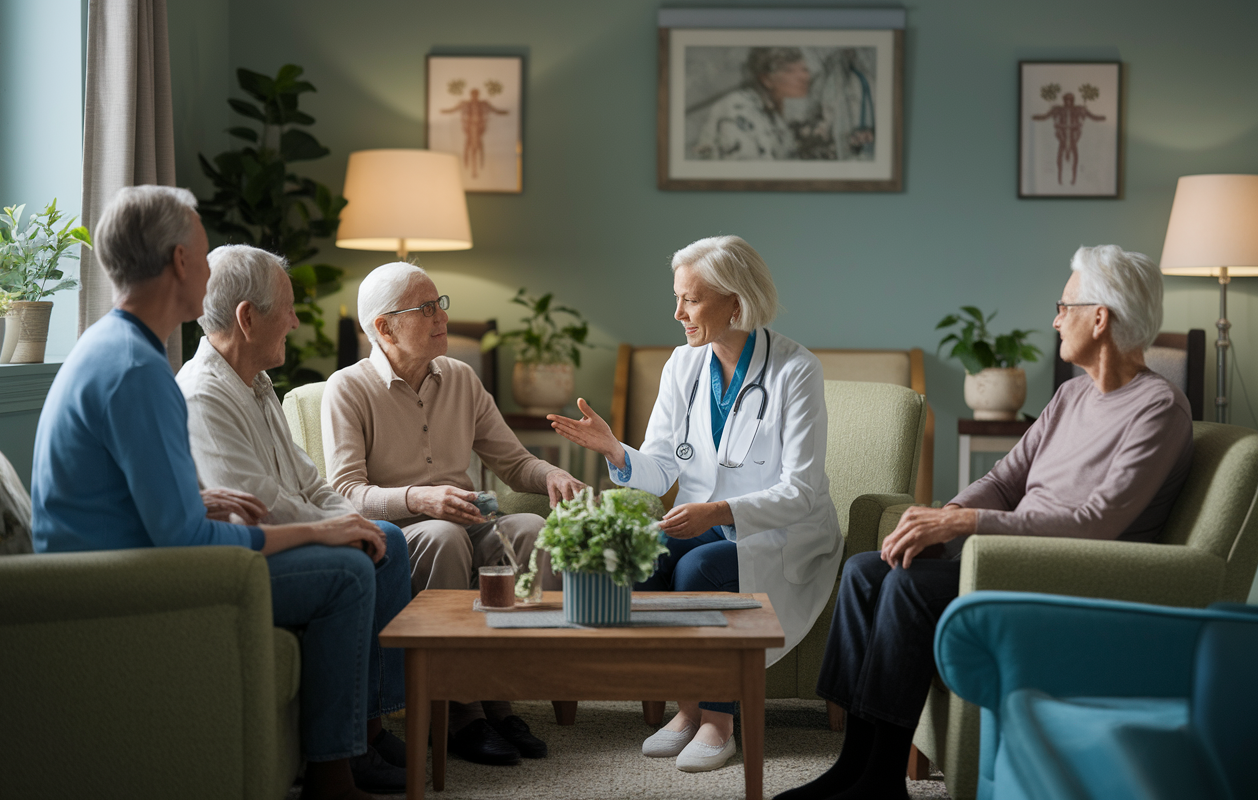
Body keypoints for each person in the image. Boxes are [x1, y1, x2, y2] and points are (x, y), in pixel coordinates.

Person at [31, 186, 411, 800]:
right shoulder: (138, 368)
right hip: (119, 584)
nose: (208, 276)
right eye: (203, 257)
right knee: (346, 572)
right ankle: (333, 776)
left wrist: (193, 495)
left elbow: (143, 499)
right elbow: (185, 539)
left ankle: (351, 744)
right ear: (180, 262)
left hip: (116, 561)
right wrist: (318, 528)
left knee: (359, 549)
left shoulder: (122, 350)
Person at [776, 244, 1194, 800]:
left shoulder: (1158, 409)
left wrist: (965, 525)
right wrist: (944, 516)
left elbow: (1096, 523)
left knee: (908, 589)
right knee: (866, 570)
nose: (1054, 319)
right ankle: (850, 767)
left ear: (1101, 317)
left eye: (1064, 305)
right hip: (1012, 557)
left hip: (1068, 574)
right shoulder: (1070, 396)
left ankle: (880, 783)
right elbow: (1004, 478)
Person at [549, 235, 843, 773]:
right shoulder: (683, 366)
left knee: (701, 566)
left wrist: (719, 513)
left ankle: (718, 720)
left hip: (779, 531)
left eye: (691, 299)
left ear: (737, 301)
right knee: (647, 555)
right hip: (702, 518)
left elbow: (800, 489)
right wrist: (616, 449)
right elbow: (661, 467)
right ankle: (686, 708)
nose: (678, 312)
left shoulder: (796, 370)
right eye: (678, 297)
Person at [322, 261, 587, 766]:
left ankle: (499, 698)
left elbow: (513, 462)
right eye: (425, 308)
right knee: (443, 535)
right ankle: (457, 710)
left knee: (532, 528)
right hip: (403, 535)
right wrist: (417, 500)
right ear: (384, 327)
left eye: (439, 303)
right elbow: (345, 491)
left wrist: (552, 475)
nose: (440, 315)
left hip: (470, 522)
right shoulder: (348, 388)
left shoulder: (461, 379)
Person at [174, 243, 414, 794]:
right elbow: (255, 502)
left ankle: (370, 730)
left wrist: (346, 521)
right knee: (357, 560)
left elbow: (310, 480)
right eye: (286, 307)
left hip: (290, 532)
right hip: (246, 554)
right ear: (247, 317)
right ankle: (338, 757)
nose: (296, 320)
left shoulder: (256, 384)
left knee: (388, 539)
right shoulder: (204, 396)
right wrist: (334, 530)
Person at [693, 47, 835, 160]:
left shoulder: (773, 114)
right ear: (766, 79)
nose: (804, 77)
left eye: (804, 69)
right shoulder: (737, 110)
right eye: (789, 70)